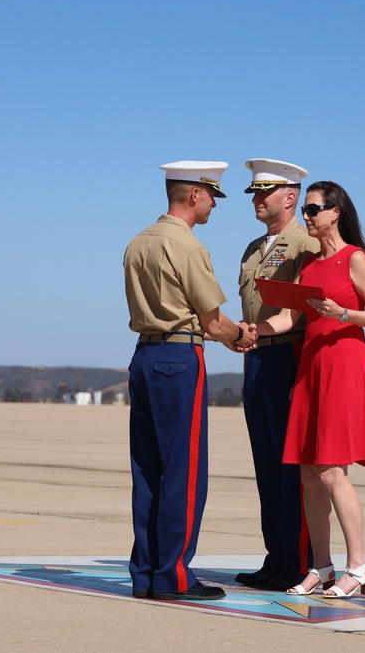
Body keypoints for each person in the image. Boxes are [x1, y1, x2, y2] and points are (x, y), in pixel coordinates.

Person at [253, 180, 365, 598]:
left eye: (314, 209)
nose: (308, 217)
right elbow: (286, 319)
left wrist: (344, 312)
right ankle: (322, 566)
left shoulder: (355, 259)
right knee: (308, 473)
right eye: (307, 211)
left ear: (336, 212)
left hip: (344, 366)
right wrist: (246, 332)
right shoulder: (309, 267)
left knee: (333, 469)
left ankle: (360, 566)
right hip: (311, 368)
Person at [123, 161, 257, 601]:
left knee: (147, 470)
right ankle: (174, 575)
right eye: (212, 197)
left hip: (144, 354)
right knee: (183, 471)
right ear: (194, 195)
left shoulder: (137, 242)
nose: (214, 206)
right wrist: (241, 336)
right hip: (180, 357)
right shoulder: (188, 247)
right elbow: (213, 322)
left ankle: (145, 572)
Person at [234, 158, 318, 591]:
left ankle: (299, 561)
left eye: (265, 192)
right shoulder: (252, 248)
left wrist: (250, 333)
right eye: (254, 192)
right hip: (256, 361)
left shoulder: (305, 245)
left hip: (288, 357)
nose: (257, 199)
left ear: (290, 197)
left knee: (290, 467)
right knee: (266, 465)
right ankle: (276, 556)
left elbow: (298, 311)